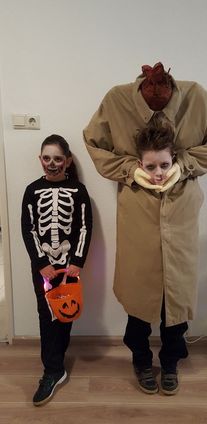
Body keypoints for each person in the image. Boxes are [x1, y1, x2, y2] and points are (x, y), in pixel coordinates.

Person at [83, 62, 207, 395]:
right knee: (139, 294)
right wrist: (128, 170)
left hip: (181, 214)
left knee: (175, 297)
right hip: (137, 213)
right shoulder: (117, 101)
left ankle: (170, 362)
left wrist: (185, 165)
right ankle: (139, 358)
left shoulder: (198, 99)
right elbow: (94, 141)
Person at [21, 134, 92, 406]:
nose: (52, 163)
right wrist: (42, 263)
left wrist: (76, 261)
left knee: (66, 312)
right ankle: (51, 370)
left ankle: (58, 362)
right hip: (44, 268)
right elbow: (28, 230)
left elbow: (86, 227)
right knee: (46, 314)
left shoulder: (78, 190)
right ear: (40, 160)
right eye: (47, 158)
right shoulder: (31, 190)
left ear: (67, 161)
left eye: (58, 158)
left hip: (68, 267)